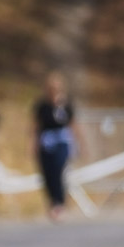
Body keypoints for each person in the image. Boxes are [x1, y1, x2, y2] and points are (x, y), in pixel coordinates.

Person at [32, 72, 78, 221]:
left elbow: (73, 124)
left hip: (62, 142)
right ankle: (52, 202)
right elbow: (35, 127)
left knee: (59, 170)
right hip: (46, 142)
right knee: (47, 173)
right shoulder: (42, 106)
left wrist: (80, 144)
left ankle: (60, 203)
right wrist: (33, 144)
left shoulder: (65, 105)